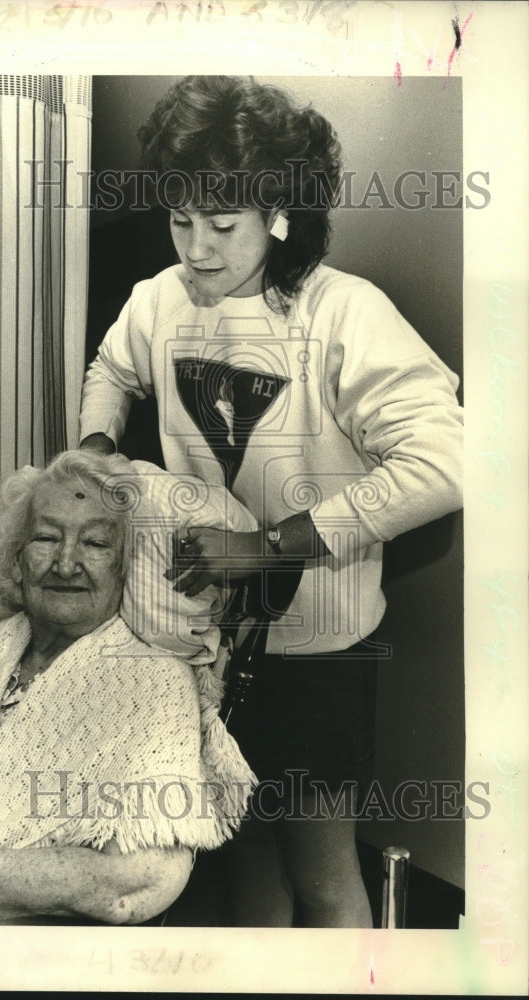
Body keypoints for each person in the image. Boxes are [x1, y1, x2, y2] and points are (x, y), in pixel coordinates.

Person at [79, 75, 464, 927]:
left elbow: (447, 460)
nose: (198, 249)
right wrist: (100, 448)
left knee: (322, 868)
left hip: (319, 650)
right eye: (181, 220)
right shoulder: (157, 299)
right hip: (202, 647)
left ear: (279, 213)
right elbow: (111, 369)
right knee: (241, 849)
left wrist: (269, 546)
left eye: (223, 225)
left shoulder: (345, 313)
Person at [0, 449, 255, 925]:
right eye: (45, 538)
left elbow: (139, 880)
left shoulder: (153, 678)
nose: (65, 563)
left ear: (128, 565)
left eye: (96, 544)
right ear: (16, 558)